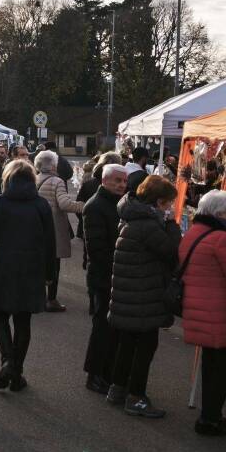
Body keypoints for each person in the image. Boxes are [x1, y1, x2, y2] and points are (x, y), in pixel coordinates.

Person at [107, 174, 182, 417]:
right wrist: (173, 224)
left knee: (127, 344)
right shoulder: (149, 225)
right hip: (143, 296)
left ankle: (118, 389)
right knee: (145, 347)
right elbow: (172, 251)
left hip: (130, 294)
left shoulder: (132, 218)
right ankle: (136, 397)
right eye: (169, 203)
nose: (170, 207)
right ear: (159, 202)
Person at [180, 190, 226, 436]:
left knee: (211, 363)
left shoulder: (194, 232)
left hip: (198, 306)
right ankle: (210, 418)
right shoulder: (224, 238)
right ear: (220, 213)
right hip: (220, 309)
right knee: (222, 365)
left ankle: (210, 415)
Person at [0, 160, 56, 392]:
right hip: (32, 268)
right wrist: (49, 273)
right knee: (23, 323)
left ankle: (7, 361)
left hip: (3, 266)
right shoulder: (41, 204)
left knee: (0, 318)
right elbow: (50, 242)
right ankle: (16, 373)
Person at [82, 163, 127, 394]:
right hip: (102, 277)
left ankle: (108, 372)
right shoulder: (96, 206)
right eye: (117, 180)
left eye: (124, 181)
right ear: (104, 180)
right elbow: (97, 249)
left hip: (115, 276)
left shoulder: (118, 204)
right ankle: (94, 374)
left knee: (112, 329)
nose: (121, 185)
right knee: (101, 327)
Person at [34, 150, 84, 312]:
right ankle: (51, 299)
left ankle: (39, 298)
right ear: (54, 165)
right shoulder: (57, 181)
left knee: (40, 263)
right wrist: (83, 206)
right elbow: (64, 204)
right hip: (53, 228)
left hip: (37, 226)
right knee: (54, 264)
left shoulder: (34, 178)